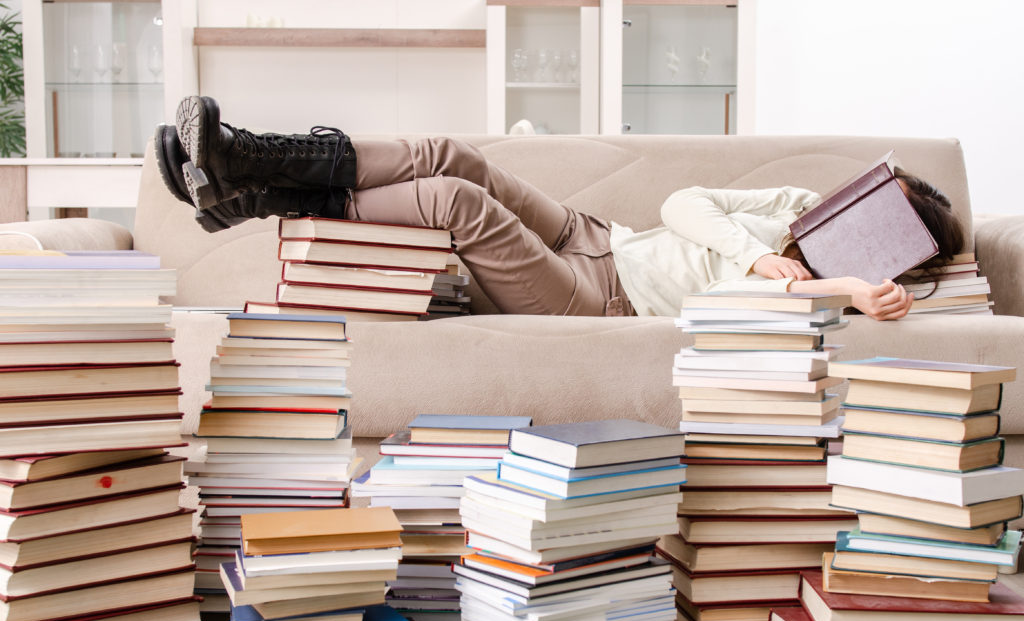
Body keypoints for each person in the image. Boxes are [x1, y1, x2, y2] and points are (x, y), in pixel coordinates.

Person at [156, 96, 964, 321]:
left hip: (598, 299)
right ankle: (243, 166)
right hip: (600, 239)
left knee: (452, 202)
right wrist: (759, 249)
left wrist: (843, 290)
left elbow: (742, 309)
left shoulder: (842, 299)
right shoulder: (794, 211)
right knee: (454, 155)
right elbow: (684, 204)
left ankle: (249, 192)